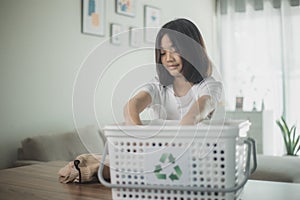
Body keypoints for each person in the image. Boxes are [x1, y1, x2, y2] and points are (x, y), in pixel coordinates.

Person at [124, 18, 222, 125]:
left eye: (174, 50)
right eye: (163, 53)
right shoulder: (158, 86)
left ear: (192, 50)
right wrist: (140, 136)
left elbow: (201, 108)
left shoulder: (209, 86)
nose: (168, 58)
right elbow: (131, 107)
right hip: (158, 142)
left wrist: (181, 132)